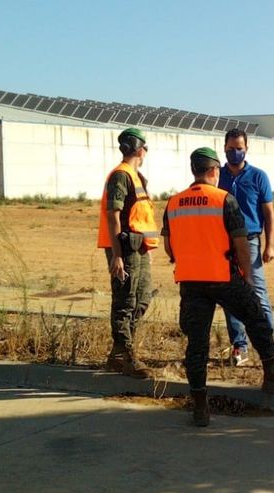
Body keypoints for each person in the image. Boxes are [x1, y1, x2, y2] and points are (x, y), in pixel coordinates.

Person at [162, 147, 274, 427]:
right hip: (222, 277)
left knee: (196, 345)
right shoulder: (224, 199)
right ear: (214, 171)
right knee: (256, 318)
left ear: (193, 171)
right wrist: (247, 277)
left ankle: (200, 406)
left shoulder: (173, 203)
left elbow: (169, 244)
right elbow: (240, 242)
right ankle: (272, 375)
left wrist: (184, 259)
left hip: (190, 281)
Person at [96, 127, 159, 379]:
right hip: (125, 248)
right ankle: (127, 356)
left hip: (139, 248)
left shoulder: (136, 176)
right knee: (125, 301)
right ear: (139, 148)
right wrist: (117, 255)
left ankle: (118, 354)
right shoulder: (121, 176)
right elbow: (113, 216)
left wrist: (148, 249)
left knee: (142, 298)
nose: (145, 152)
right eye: (144, 147)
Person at [217, 128, 274, 366]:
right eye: (231, 149)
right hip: (224, 242)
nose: (235, 153)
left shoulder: (258, 176)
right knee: (231, 296)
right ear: (224, 149)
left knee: (257, 293)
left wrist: (270, 245)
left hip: (250, 241)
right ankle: (239, 346)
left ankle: (269, 345)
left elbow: (269, 214)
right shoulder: (217, 176)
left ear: (246, 149)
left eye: (239, 149)